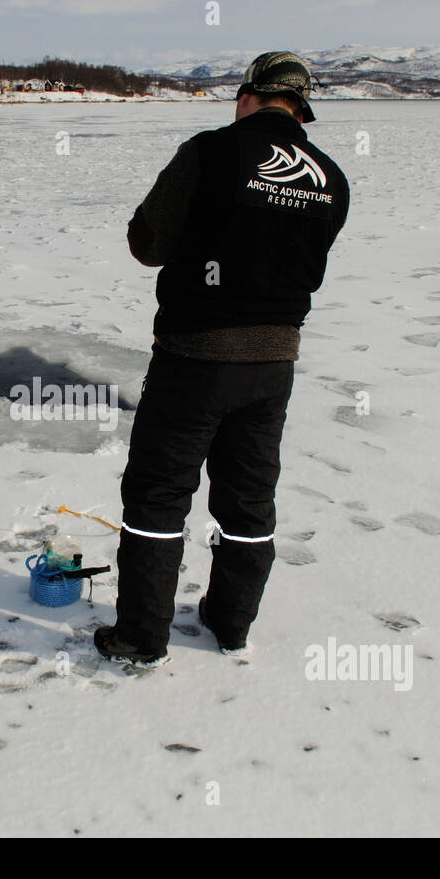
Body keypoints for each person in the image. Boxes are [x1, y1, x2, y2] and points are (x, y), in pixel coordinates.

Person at [95, 51, 350, 666]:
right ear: (300, 108)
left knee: (158, 494)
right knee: (248, 499)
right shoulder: (331, 178)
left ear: (248, 97)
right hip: (275, 366)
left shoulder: (210, 151)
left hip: (196, 357)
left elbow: (147, 243)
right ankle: (230, 624)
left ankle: (140, 639)